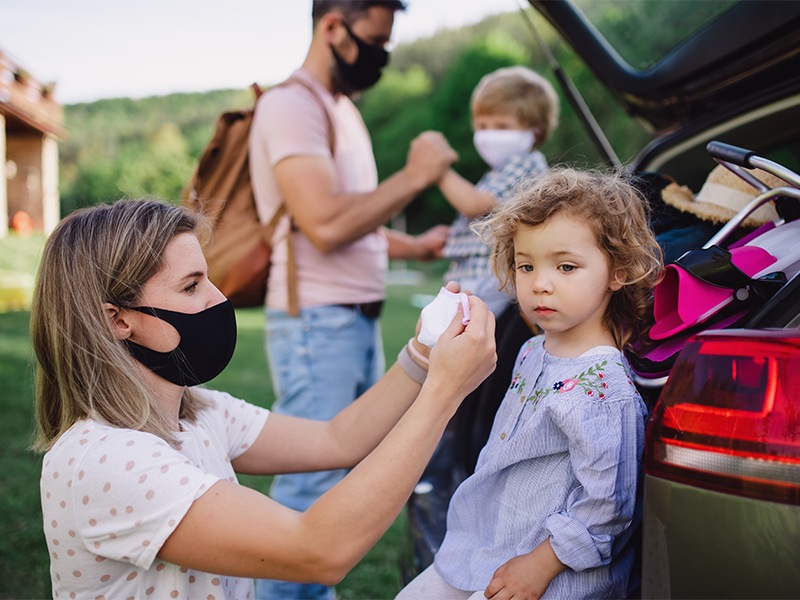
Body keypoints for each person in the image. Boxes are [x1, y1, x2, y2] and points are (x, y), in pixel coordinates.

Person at [31, 198, 497, 600]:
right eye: (191, 286)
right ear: (116, 320)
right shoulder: (104, 459)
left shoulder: (196, 411)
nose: (218, 298)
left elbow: (338, 439)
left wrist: (423, 354)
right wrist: (445, 392)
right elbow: (318, 550)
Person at [247, 3, 457, 595]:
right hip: (319, 321)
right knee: (309, 486)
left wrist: (413, 246)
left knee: (337, 480)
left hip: (350, 320)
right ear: (333, 27)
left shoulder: (341, 110)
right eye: (375, 40)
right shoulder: (291, 105)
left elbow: (353, 217)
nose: (381, 57)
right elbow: (325, 223)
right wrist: (416, 175)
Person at [397, 168, 663, 599]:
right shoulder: (532, 351)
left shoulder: (602, 387)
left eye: (566, 266)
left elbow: (608, 505)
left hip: (550, 575)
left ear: (618, 272)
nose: (539, 283)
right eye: (526, 265)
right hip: (485, 546)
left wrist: (541, 564)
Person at [432, 64, 560, 477]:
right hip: (473, 272)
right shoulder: (505, 167)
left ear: (533, 130)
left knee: (455, 343)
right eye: (481, 124)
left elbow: (474, 205)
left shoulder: (526, 164)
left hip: (490, 278)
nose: (487, 133)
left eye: (500, 124)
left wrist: (436, 170)